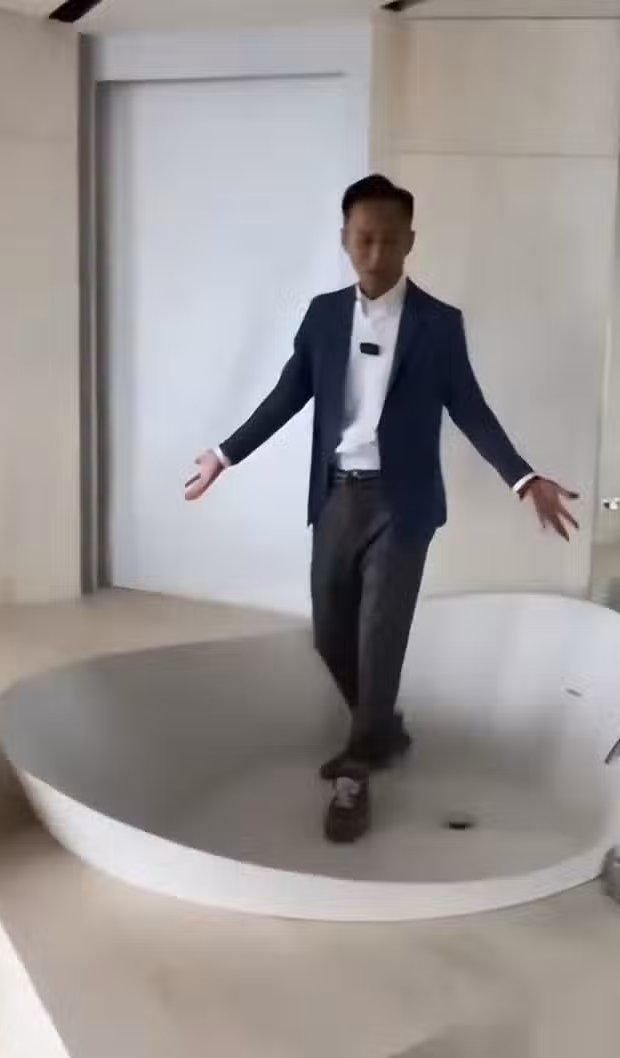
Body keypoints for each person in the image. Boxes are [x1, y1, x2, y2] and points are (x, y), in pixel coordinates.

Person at [185, 175, 579, 844]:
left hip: (404, 504)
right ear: (345, 239)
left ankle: (358, 770)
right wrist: (225, 454)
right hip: (337, 496)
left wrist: (523, 478)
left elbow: (471, 408)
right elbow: (288, 394)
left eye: (390, 240)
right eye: (364, 239)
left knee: (378, 638)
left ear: (410, 242)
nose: (375, 253)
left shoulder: (439, 324)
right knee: (329, 635)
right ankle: (384, 729)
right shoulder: (322, 316)